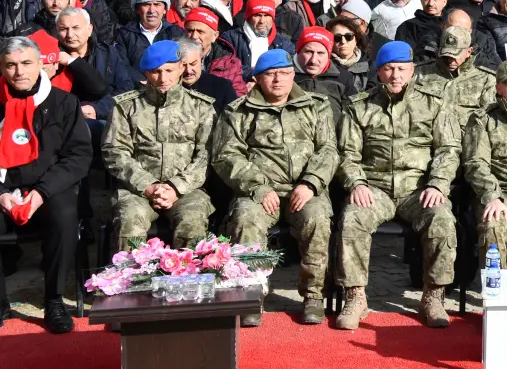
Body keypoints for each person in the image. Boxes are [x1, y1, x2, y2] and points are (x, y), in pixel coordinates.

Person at [335, 41, 463, 330]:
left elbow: (448, 150)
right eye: (389, 69)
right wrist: (356, 182)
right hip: (375, 188)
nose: (395, 75)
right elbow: (347, 155)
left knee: (442, 218)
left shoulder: (434, 103)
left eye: (401, 69)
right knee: (352, 218)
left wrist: (438, 184)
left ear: (412, 70)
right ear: (379, 72)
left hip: (419, 190)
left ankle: (433, 295)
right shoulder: (360, 107)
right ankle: (355, 297)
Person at [211, 48, 338, 327]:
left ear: (293, 75)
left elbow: (328, 150)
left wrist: (310, 183)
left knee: (317, 220)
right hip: (258, 190)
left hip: (303, 190)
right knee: (245, 220)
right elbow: (225, 155)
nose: (278, 80)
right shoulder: (238, 111)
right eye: (270, 74)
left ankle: (313, 295)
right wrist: (258, 187)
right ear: (257, 79)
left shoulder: (316, 106)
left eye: (283, 73)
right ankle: (252, 293)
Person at [0, 35, 92, 333]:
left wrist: (40, 193)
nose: (19, 72)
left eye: (26, 63)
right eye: (10, 65)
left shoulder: (64, 103)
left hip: (48, 189)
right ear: (2, 69)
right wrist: (1, 195)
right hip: (5, 189)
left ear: (41, 63)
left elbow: (78, 156)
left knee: (65, 215)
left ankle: (53, 300)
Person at [101, 40, 214, 253]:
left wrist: (175, 188)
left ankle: (188, 283)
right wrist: (148, 185)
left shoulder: (201, 107)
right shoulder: (126, 107)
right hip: (136, 190)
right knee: (130, 223)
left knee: (192, 225)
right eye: (155, 72)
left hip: (187, 190)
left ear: (181, 68)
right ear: (145, 73)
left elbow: (205, 156)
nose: (163, 78)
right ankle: (131, 282)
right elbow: (115, 152)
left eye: (169, 70)